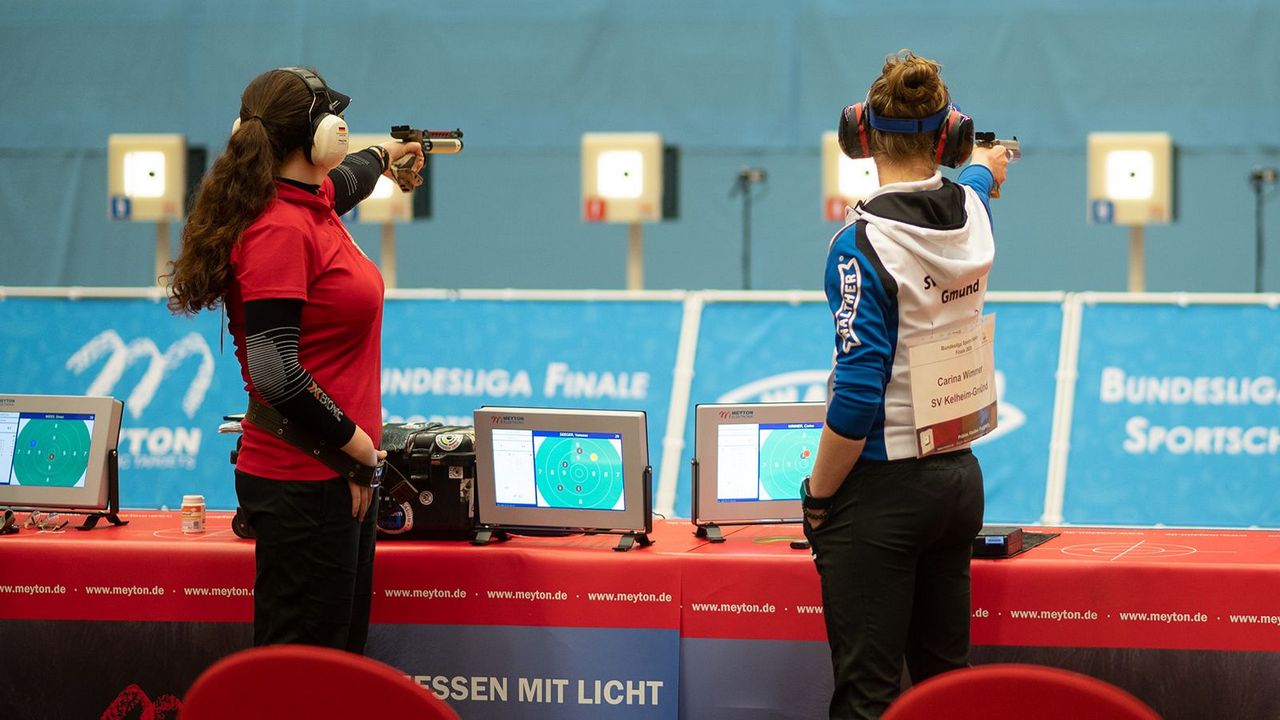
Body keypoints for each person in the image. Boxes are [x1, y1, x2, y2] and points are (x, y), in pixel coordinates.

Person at [165, 67, 423, 653]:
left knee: (332, 668)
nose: (344, 131)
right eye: (335, 120)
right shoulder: (280, 229)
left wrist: (388, 154)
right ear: (313, 138)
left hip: (331, 475)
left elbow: (351, 177)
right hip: (308, 481)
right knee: (302, 679)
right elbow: (274, 370)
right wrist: (356, 448)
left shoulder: (309, 201)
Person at [802, 50, 1011, 719]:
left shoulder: (860, 245)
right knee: (944, 688)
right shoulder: (973, 215)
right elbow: (974, 180)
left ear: (861, 138)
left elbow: (858, 396)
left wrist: (817, 495)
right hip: (957, 480)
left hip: (882, 493)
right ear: (949, 136)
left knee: (867, 697)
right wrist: (985, 160)